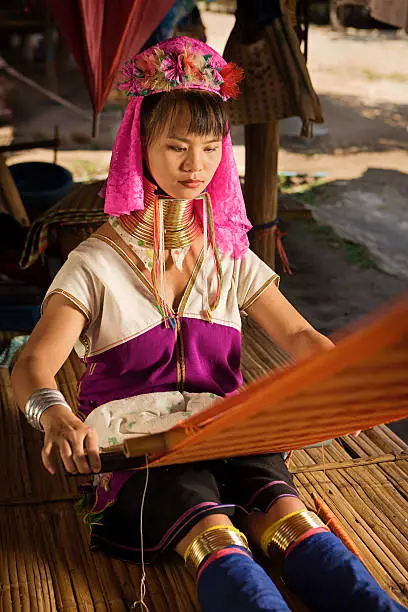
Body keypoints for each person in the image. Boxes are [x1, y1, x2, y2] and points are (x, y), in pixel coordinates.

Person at [11, 37, 405, 612]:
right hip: (138, 448)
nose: (195, 166)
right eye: (175, 147)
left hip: (228, 427)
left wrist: (339, 376)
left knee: (293, 521)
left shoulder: (229, 255)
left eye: (209, 146)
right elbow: (34, 363)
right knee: (214, 532)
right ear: (139, 145)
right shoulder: (94, 263)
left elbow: (297, 334)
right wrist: (55, 417)